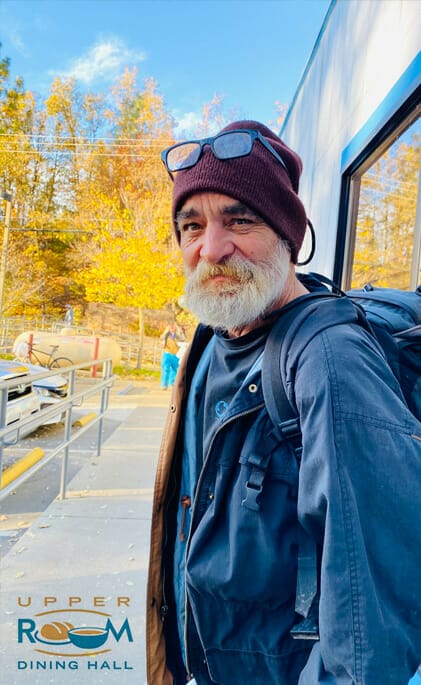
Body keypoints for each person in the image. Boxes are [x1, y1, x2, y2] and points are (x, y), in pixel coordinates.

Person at [146, 120, 421, 684]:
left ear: (289, 237)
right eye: (191, 225)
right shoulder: (213, 335)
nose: (212, 248)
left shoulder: (328, 358)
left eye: (239, 220)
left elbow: (372, 616)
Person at [160, 321, 184, 390]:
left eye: (173, 326)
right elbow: (161, 339)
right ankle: (164, 384)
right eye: (170, 326)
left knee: (175, 369)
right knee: (165, 369)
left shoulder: (178, 335)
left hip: (175, 354)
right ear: (169, 327)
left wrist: (179, 333)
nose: (172, 327)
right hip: (167, 354)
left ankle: (172, 382)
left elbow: (183, 339)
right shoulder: (166, 334)